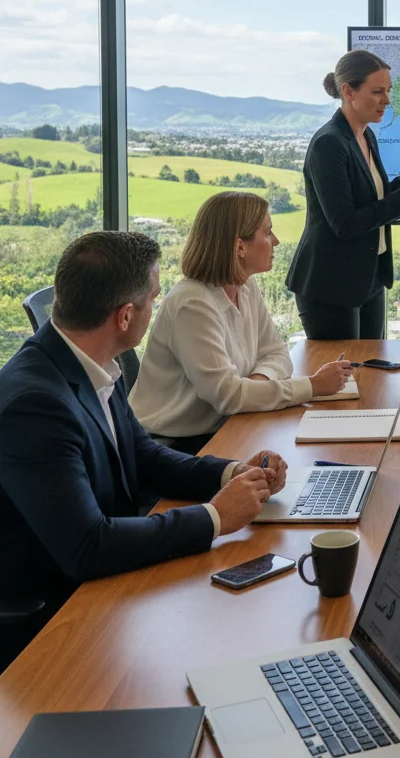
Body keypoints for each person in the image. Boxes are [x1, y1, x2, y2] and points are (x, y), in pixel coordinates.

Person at [0, 231, 288, 669]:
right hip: (59, 620)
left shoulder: (89, 361)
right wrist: (216, 517)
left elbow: (144, 455)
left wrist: (231, 474)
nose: (156, 310)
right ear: (125, 316)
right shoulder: (35, 405)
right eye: (154, 299)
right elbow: (87, 546)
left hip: (111, 576)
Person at [132, 192, 352, 452]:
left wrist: (255, 385)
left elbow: (277, 354)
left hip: (228, 425)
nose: (276, 241)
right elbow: (229, 396)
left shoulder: (245, 286)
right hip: (173, 447)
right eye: (268, 233)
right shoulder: (193, 304)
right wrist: (312, 386)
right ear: (239, 247)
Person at [286, 50, 400, 339]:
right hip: (331, 284)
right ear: (348, 91)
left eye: (388, 90)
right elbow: (344, 223)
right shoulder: (329, 144)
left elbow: (373, 197)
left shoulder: (364, 134)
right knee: (347, 380)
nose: (387, 100)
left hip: (367, 276)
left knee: (373, 371)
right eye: (377, 91)